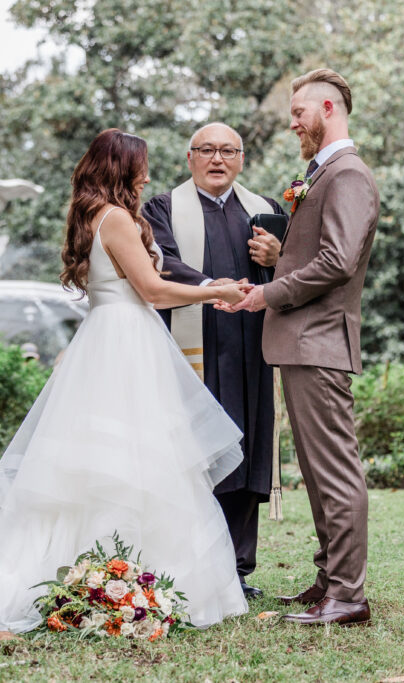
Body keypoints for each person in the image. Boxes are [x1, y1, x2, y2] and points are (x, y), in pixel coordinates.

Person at [0, 129, 253, 632]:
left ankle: (114, 572)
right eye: (141, 165)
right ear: (122, 168)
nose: (147, 174)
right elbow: (151, 290)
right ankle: (112, 572)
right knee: (133, 456)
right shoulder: (119, 220)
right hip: (126, 342)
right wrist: (213, 291)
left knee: (113, 457)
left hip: (112, 340)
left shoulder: (94, 217)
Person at [220, 69, 379, 626]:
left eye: (300, 113)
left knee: (334, 471)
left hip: (319, 341)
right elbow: (319, 253)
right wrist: (279, 255)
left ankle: (348, 596)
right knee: (317, 470)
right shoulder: (324, 174)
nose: (292, 124)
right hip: (303, 342)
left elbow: (338, 262)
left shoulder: (348, 175)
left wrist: (268, 293)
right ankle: (329, 581)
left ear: (330, 108)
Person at [142, 123, 285, 600]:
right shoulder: (162, 208)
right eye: (206, 150)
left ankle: (237, 570)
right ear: (190, 157)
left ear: (242, 158)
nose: (217, 158)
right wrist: (214, 288)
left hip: (251, 347)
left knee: (246, 447)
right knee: (196, 448)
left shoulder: (266, 210)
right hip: (194, 348)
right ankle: (192, 562)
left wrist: (278, 255)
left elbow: (300, 271)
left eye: (227, 150)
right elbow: (161, 264)